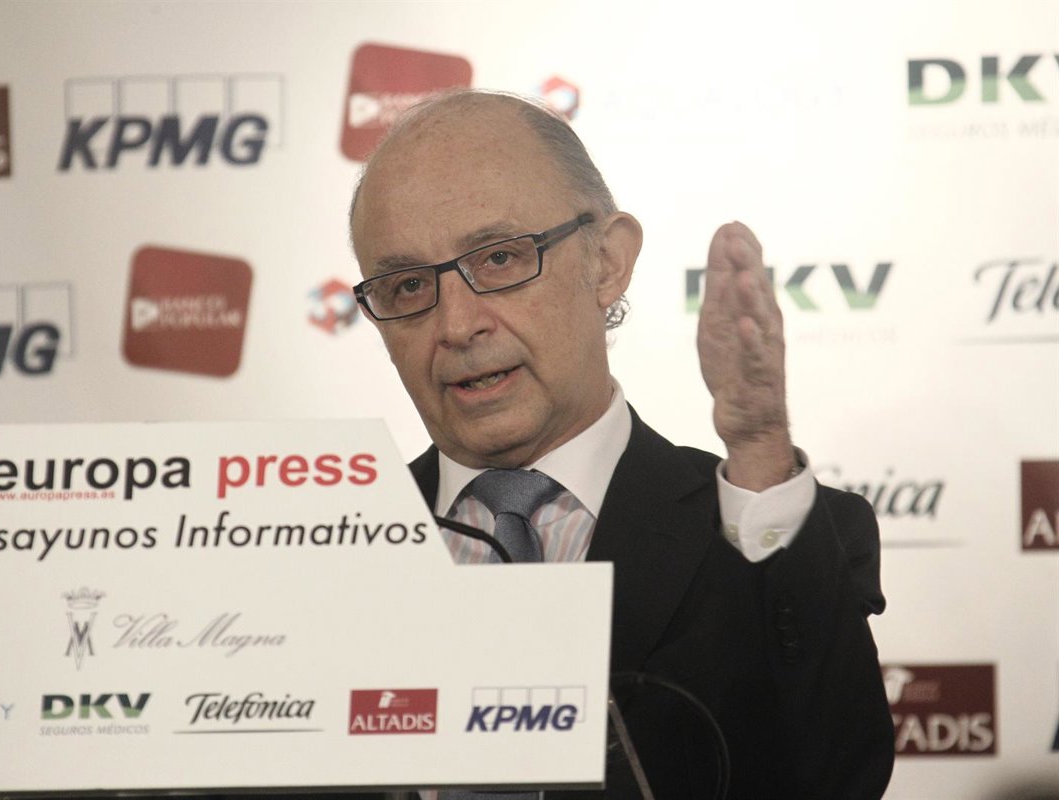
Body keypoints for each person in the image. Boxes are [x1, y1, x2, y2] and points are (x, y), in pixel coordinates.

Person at [349, 90, 893, 799]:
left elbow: (837, 776)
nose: (456, 325)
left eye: (499, 258)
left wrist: (760, 448)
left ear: (606, 261)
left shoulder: (770, 531)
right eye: (406, 286)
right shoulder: (323, 554)